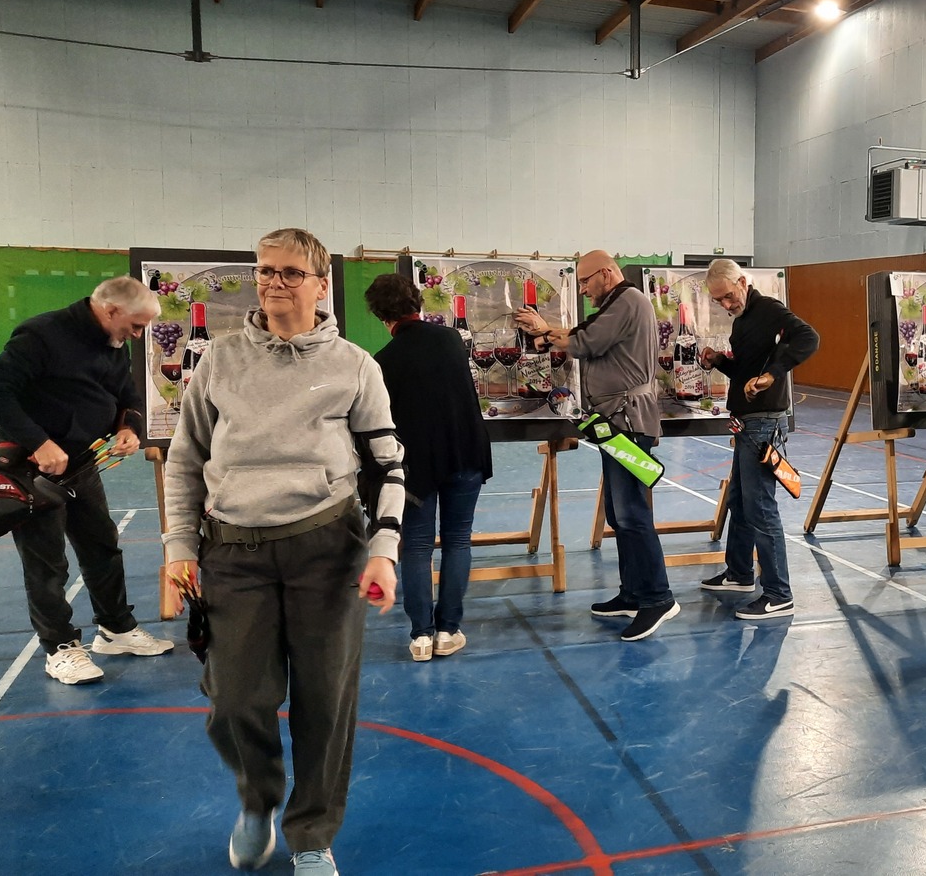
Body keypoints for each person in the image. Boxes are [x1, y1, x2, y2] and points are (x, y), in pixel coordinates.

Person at [162, 228, 403, 876]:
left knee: (325, 702)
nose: (274, 282)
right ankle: (258, 800)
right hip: (232, 554)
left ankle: (312, 834)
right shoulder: (219, 360)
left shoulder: (355, 366)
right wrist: (179, 546)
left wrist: (383, 550)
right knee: (235, 700)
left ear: (321, 285)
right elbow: (185, 459)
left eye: (291, 273)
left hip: (328, 551)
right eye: (266, 270)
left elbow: (388, 465)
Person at [0, 276, 173, 685]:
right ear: (111, 310)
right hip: (31, 467)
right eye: (136, 325)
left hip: (83, 462)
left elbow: (127, 396)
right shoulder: (42, 334)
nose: (138, 334)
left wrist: (129, 428)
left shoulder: (114, 342)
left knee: (102, 545)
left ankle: (115, 629)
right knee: (47, 561)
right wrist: (40, 442)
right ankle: (60, 648)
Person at [514, 250, 679, 641]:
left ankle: (658, 598)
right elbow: (584, 335)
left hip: (628, 422)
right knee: (618, 513)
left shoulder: (629, 301)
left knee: (632, 513)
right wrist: (549, 332)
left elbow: (585, 341)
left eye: (586, 281)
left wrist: (544, 331)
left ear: (606, 273)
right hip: (614, 423)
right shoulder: (616, 304)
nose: (584, 289)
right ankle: (633, 593)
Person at [365, 273, 493, 661]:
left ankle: (421, 636)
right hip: (464, 454)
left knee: (417, 547)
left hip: (415, 466)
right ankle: (448, 630)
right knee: (458, 540)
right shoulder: (451, 339)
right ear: (418, 303)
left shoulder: (382, 361)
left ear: (380, 315)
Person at [696, 259, 819, 619]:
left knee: (761, 507)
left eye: (728, 296)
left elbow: (810, 338)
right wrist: (720, 361)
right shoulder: (744, 319)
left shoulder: (768, 310)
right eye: (718, 300)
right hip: (748, 422)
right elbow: (745, 371)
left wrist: (773, 374)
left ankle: (779, 594)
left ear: (743, 282)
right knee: (739, 500)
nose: (726, 304)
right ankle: (739, 574)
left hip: (764, 423)